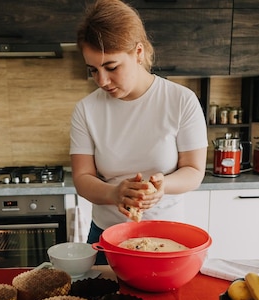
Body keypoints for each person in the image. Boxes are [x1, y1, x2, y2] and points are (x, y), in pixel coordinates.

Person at [70, 0, 208, 264]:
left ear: (139, 52)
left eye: (111, 67)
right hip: (106, 237)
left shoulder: (180, 100)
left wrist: (163, 186)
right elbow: (82, 177)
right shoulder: (86, 110)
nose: (102, 81)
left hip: (167, 238)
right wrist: (114, 194)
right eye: (93, 70)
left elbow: (194, 171)